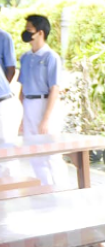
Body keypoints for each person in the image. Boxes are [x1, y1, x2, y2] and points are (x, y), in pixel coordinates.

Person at [19, 15, 65, 186]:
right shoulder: (25, 57)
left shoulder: (50, 57)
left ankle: (60, 189)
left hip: (46, 104)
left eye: (29, 30)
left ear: (40, 33)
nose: (25, 33)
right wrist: (22, 117)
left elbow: (54, 88)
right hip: (29, 104)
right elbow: (22, 88)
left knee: (51, 151)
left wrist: (46, 118)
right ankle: (45, 188)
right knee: (34, 151)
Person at [0, 26, 22, 177]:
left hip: (3, 103)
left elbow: (11, 69)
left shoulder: (4, 37)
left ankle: (11, 194)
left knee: (7, 155)